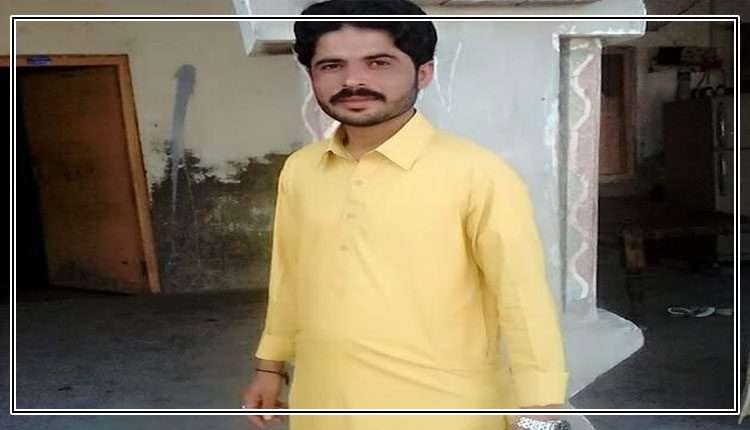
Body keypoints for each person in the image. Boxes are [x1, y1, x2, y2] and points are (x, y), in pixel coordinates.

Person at [242, 1, 569, 429]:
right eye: (331, 66)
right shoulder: (302, 169)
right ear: (312, 77)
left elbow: (523, 302)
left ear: (423, 72)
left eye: (379, 63)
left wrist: (542, 410)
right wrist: (269, 366)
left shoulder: (478, 174)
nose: (352, 80)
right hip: (321, 404)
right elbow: (288, 275)